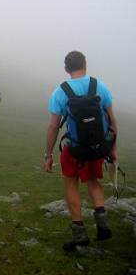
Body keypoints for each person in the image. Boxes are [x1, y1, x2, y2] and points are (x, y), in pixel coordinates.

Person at [45, 51, 118, 251]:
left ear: (66, 69)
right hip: (97, 146)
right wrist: (112, 149)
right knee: (94, 181)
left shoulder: (60, 92)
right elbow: (112, 121)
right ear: (85, 64)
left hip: (75, 149)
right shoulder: (99, 87)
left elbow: (53, 127)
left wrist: (48, 155)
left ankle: (79, 233)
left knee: (71, 185)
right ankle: (102, 223)